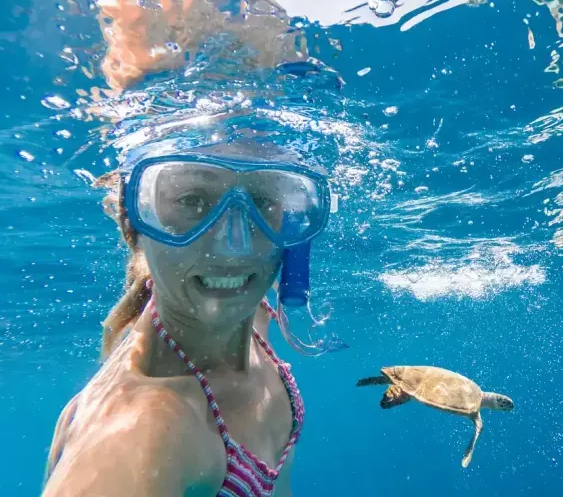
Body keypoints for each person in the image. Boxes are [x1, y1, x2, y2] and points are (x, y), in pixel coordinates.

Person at [41, 136, 344, 496]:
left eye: (263, 200)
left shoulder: (255, 317)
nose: (235, 247)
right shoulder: (144, 434)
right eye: (192, 201)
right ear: (135, 221)